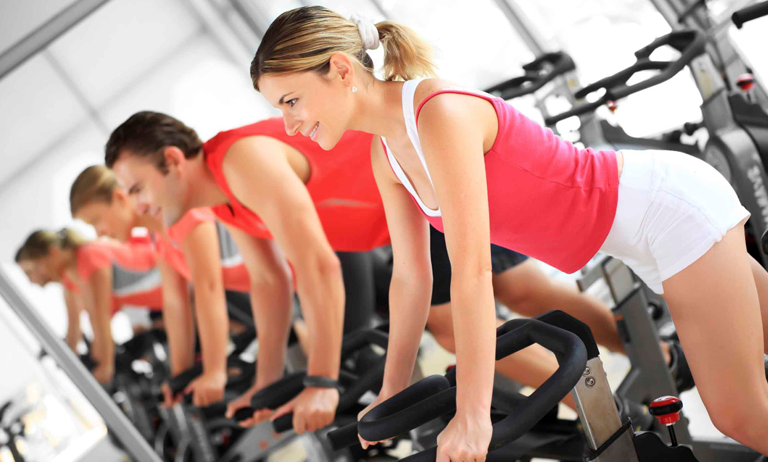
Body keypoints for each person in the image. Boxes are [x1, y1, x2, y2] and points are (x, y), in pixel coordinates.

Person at [249, 6, 768, 459]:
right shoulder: (385, 154)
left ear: (342, 69)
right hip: (641, 234)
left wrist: (473, 413)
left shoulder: (437, 113)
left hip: (663, 210)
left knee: (738, 415)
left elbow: (473, 271)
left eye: (292, 101)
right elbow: (410, 278)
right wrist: (391, 390)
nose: (289, 125)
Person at [103, 109, 684, 429]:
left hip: (423, 179)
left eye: (136, 188)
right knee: (500, 300)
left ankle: (627, 394)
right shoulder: (219, 199)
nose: (137, 205)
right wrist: (265, 384)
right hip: (408, 210)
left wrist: (322, 381)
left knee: (493, 302)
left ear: (172, 161)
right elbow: (270, 283)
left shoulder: (241, 161)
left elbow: (318, 268)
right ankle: (634, 384)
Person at [69, 164, 252, 407]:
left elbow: (207, 289)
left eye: (96, 220)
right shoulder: (157, 236)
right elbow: (175, 304)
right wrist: (179, 377)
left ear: (120, 198)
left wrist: (214, 371)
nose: (98, 233)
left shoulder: (178, 215)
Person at [16, 229, 162, 384]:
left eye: (30, 271)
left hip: (173, 284)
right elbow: (73, 332)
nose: (31, 280)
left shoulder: (87, 257)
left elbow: (99, 320)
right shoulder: (70, 280)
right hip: (159, 303)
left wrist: (104, 365)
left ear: (52, 252)